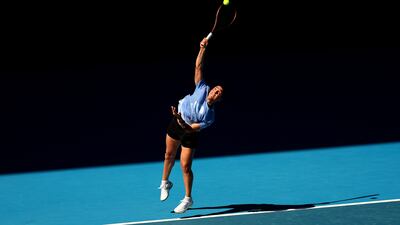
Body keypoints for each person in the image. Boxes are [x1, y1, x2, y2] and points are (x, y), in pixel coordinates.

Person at [158, 37, 224, 214]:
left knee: (185, 166)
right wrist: (202, 48)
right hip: (177, 121)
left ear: (218, 99)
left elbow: (189, 129)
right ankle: (165, 182)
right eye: (216, 88)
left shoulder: (209, 116)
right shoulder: (202, 88)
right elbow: (198, 67)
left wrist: (179, 120)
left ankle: (188, 199)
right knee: (168, 155)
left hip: (188, 131)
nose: (216, 91)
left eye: (219, 93)